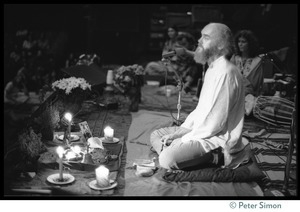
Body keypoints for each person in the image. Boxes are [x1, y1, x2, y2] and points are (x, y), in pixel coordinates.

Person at [150, 23, 250, 171]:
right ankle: (175, 151)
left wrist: (182, 139)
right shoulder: (213, 68)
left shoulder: (226, 73)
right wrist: (180, 132)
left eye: (206, 37)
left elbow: (215, 123)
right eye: (201, 36)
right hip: (200, 131)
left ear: (221, 45)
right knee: (156, 134)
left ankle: (218, 157)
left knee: (166, 159)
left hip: (216, 139)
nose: (199, 41)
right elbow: (200, 111)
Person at [230, 30, 263, 97]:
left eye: (243, 42)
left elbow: (255, 84)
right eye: (239, 41)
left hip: (249, 97)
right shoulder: (234, 58)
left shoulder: (257, 61)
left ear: (250, 44)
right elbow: (230, 78)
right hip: (234, 95)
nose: (240, 44)